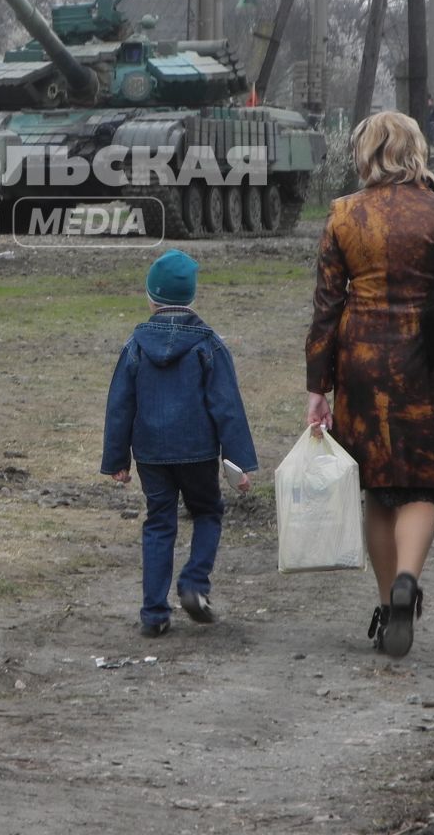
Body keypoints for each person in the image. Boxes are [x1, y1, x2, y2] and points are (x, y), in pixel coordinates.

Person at [305, 111, 434, 659]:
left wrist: (316, 388)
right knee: (421, 486)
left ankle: (384, 597)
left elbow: (326, 308)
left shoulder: (344, 215)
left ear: (366, 153)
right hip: (429, 364)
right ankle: (407, 583)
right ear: (415, 150)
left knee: (377, 488)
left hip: (362, 364)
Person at [103, 249, 259, 636]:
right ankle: (193, 584)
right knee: (207, 512)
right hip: (198, 452)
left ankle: (154, 614)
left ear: (150, 297)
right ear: (192, 297)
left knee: (159, 522)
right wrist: (238, 462)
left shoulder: (135, 345)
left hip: (152, 454)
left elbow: (120, 405)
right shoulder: (209, 345)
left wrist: (117, 459)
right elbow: (227, 406)